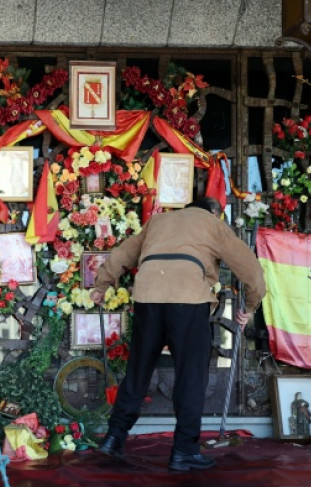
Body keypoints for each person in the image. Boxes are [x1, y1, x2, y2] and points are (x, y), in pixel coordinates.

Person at [91, 196, 266, 471]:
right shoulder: (212, 223)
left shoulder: (158, 221)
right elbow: (250, 268)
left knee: (138, 371)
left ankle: (114, 437)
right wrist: (251, 306)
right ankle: (184, 450)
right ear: (214, 212)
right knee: (191, 376)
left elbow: (123, 253)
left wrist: (101, 285)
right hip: (188, 300)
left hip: (148, 297)